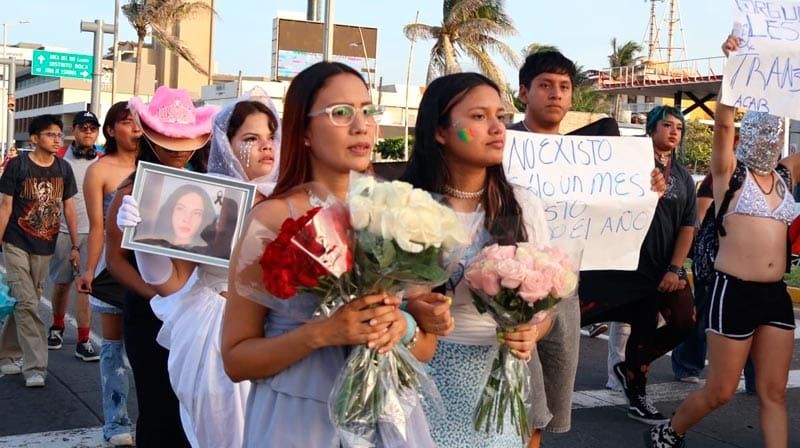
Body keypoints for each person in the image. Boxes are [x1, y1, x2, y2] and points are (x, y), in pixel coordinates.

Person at [221, 61, 436, 447]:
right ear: (302, 131)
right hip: (298, 423)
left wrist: (402, 328)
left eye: (368, 110)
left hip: (388, 418)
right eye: (341, 113)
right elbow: (236, 359)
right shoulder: (272, 219)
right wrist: (322, 333)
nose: (362, 125)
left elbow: (424, 347)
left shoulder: (395, 211)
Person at [508, 50, 667, 446]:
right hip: (508, 294)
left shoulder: (591, 160)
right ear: (523, 92)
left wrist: (646, 192)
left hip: (565, 293)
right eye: (545, 85)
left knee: (547, 415)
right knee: (520, 407)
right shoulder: (504, 148)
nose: (556, 94)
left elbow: (616, 209)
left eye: (564, 87)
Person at [647, 35, 798, 448]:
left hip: (775, 294)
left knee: (774, 393)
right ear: (747, 137)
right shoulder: (730, 174)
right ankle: (670, 430)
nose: (767, 138)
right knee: (721, 390)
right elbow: (725, 122)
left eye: (774, 131)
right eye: (759, 131)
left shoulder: (785, 177)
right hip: (733, 291)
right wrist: (733, 67)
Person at [116, 90, 281, 447]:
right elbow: (170, 282)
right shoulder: (209, 202)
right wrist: (146, 235)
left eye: (271, 136)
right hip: (216, 338)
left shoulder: (295, 199)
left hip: (281, 334)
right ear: (226, 143)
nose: (266, 146)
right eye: (251, 138)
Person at [400, 72, 547, 447]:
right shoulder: (405, 208)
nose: (497, 128)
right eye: (479, 117)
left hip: (500, 383)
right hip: (424, 376)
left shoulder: (523, 205)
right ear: (440, 131)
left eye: (500, 116)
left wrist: (530, 331)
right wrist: (414, 308)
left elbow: (546, 307)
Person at [106, 87, 215, 447]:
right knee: (158, 408)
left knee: (198, 407)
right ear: (151, 138)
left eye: (188, 139)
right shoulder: (130, 192)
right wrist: (156, 295)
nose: (181, 148)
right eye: (169, 138)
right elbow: (115, 260)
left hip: (201, 316)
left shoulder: (211, 187)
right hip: (150, 316)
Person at [581, 106, 696, 425]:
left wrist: (675, 269)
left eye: (679, 128)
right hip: (628, 268)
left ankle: (631, 368)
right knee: (638, 325)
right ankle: (637, 394)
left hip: (666, 267)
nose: (674, 132)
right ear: (651, 129)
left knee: (685, 322)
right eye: (667, 125)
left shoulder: (684, 177)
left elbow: (688, 224)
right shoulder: (628, 166)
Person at [75, 101, 141, 446]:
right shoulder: (99, 171)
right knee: (113, 349)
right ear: (112, 130)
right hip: (112, 269)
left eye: (138, 122)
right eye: (127, 122)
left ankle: (155, 419)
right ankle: (117, 423)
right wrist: (89, 270)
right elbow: (98, 228)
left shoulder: (156, 164)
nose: (135, 129)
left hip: (154, 271)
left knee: (151, 349)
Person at [0, 114, 79, 388]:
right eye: (50, 134)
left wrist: (76, 247)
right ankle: (35, 366)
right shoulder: (17, 165)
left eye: (59, 134)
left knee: (27, 302)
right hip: (16, 241)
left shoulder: (63, 169)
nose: (57, 139)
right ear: (34, 139)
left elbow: (69, 207)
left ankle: (6, 354)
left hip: (45, 245)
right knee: (26, 303)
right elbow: (6, 206)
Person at [46, 111, 104, 361]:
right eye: (83, 127)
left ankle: (83, 339)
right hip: (61, 232)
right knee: (61, 284)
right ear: (75, 131)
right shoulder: (58, 159)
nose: (88, 131)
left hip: (93, 233)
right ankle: (57, 327)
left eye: (93, 128)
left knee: (86, 287)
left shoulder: (103, 161)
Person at [139, 185, 215, 249]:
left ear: (204, 219)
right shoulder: (150, 244)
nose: (187, 219)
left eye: (196, 213)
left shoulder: (209, 255)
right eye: (180, 209)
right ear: (171, 212)